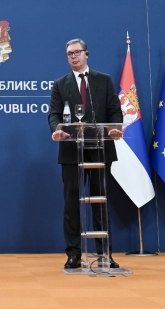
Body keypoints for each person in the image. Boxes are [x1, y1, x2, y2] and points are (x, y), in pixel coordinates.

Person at [48, 39, 123, 269]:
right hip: (72, 150)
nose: (73, 56)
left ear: (86, 54)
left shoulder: (104, 80)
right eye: (69, 54)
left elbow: (114, 111)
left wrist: (114, 129)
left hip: (100, 149)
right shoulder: (60, 84)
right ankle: (74, 254)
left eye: (77, 52)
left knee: (100, 202)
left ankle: (104, 254)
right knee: (71, 203)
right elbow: (54, 114)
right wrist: (56, 129)